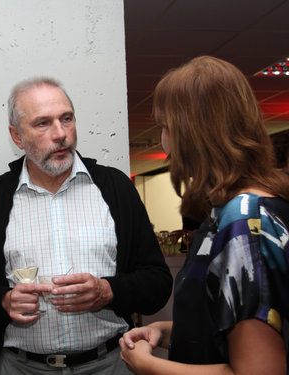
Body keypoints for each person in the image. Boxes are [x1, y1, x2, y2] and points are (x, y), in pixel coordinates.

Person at [0, 77, 172, 374]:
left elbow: (158, 282)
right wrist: (4, 301)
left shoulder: (114, 187)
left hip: (110, 363)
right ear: (17, 136)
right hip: (21, 367)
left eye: (66, 119)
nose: (60, 134)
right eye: (43, 123)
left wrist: (109, 291)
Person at [119, 56, 289, 375]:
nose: (163, 141)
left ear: (192, 133)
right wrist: (166, 332)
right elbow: (227, 320)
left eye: (166, 127)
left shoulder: (245, 219)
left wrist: (147, 365)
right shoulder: (231, 211)